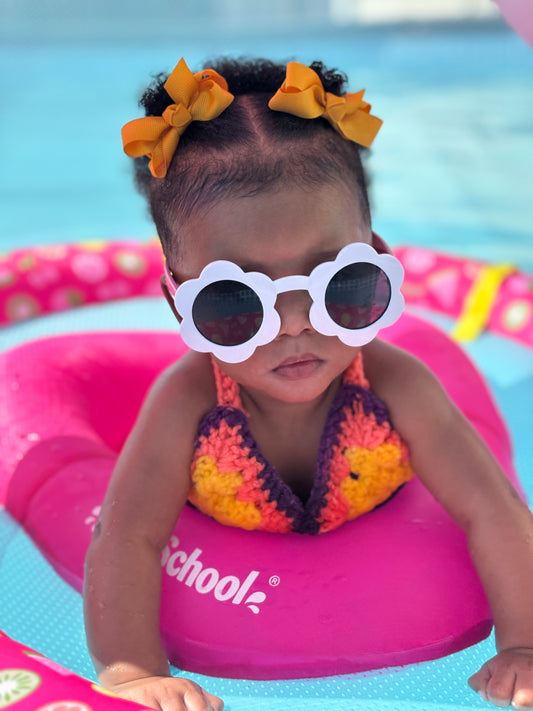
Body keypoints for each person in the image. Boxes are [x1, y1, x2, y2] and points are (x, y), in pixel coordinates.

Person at [84, 57, 533, 711]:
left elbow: (491, 508)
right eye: (234, 302)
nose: (293, 326)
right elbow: (125, 536)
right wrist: (131, 672)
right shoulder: (186, 403)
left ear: (378, 260)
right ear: (179, 302)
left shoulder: (396, 385)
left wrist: (522, 643)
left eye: (336, 285)